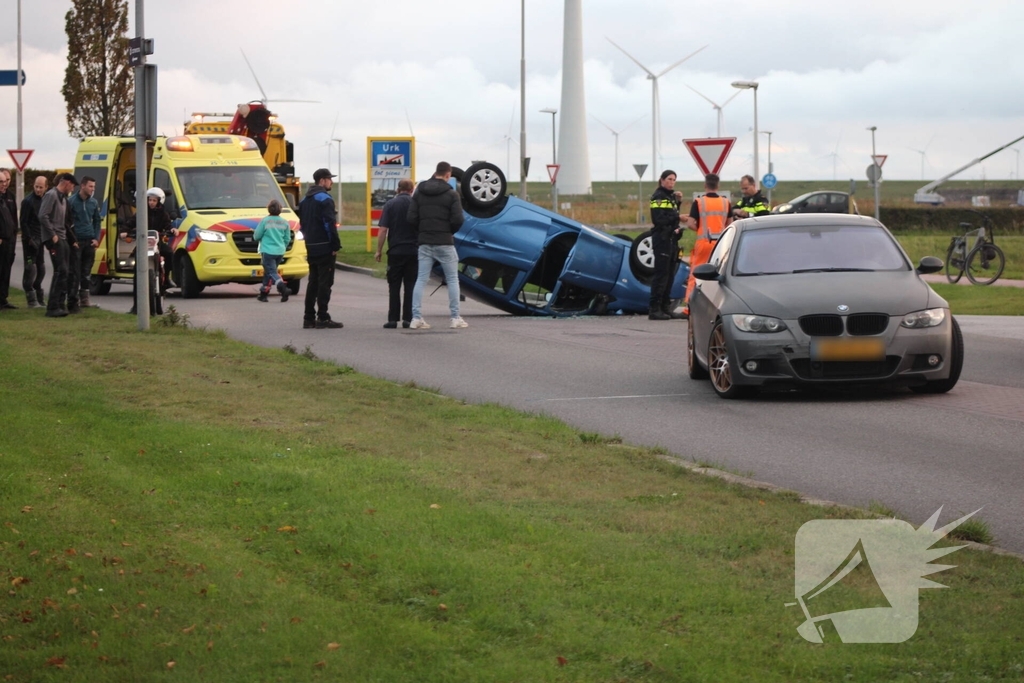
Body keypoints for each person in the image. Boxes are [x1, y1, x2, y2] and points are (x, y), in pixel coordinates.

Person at [407, 161, 466, 330]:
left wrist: (422, 231)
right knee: (453, 279)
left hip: (425, 242)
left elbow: (411, 217)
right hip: (445, 242)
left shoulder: (419, 192)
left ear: (435, 173)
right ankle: (455, 318)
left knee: (421, 279)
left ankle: (416, 318)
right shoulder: (452, 194)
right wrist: (449, 231)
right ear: (448, 175)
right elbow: (458, 219)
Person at [683, 173, 733, 316]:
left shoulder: (699, 202)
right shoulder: (725, 202)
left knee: (696, 274)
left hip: (704, 243)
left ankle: (689, 308)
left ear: (705, 185)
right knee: (719, 275)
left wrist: (700, 228)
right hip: (721, 245)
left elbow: (691, 223)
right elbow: (730, 224)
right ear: (718, 186)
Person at [298, 168, 342, 329]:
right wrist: (335, 245)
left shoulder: (304, 201)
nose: (331, 182)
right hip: (325, 247)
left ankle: (308, 317)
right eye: (330, 179)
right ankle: (323, 316)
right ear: (322, 181)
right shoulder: (325, 199)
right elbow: (329, 224)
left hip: (310, 245)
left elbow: (302, 224)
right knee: (325, 283)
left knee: (313, 282)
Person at [122, 187, 175, 315]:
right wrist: (124, 231)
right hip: (142, 244)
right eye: (149, 200)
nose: (151, 202)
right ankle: (136, 307)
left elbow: (168, 225)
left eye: (154, 200)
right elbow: (130, 222)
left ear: (159, 201)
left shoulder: (164, 214)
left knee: (169, 253)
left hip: (157, 243)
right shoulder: (141, 212)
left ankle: (167, 278)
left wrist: (172, 230)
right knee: (137, 274)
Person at [375, 178, 417, 328]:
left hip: (395, 251)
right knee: (410, 286)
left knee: (394, 285)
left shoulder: (390, 204)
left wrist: (378, 250)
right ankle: (408, 319)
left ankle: (393, 319)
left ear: (398, 189)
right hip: (413, 251)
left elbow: (383, 230)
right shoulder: (416, 204)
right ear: (412, 190)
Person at [39, 173, 78, 318]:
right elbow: (43, 215)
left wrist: (71, 239)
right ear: (66, 182)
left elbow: (66, 222)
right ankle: (52, 307)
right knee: (61, 270)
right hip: (55, 238)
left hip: (62, 238)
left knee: (65, 271)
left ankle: (60, 304)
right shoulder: (52, 195)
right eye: (72, 185)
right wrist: (52, 235)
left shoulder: (64, 199)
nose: (72, 188)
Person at [647, 169, 685, 320]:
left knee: (669, 274)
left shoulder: (670, 197)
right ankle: (654, 308)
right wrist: (678, 216)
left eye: (674, 180)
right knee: (661, 274)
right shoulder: (658, 196)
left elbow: (672, 216)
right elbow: (659, 219)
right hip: (662, 238)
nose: (671, 182)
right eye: (669, 179)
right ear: (662, 180)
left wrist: (679, 204)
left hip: (671, 239)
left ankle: (665, 307)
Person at [67, 175, 103, 308]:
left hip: (89, 241)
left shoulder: (93, 202)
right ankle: (73, 298)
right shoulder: (71, 201)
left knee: (87, 271)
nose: (93, 189)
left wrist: (96, 238)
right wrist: (72, 239)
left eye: (94, 187)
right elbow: (67, 222)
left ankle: (85, 299)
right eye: (90, 186)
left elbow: (97, 220)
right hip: (76, 241)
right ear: (82, 186)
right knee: (75, 271)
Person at [253, 199, 292, 303]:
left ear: (269, 208)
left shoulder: (265, 221)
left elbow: (256, 236)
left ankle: (283, 287)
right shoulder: (284, 222)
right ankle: (263, 294)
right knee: (268, 272)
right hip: (280, 251)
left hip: (267, 251)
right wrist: (282, 246)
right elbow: (287, 238)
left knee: (271, 272)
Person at [20, 176, 49, 308]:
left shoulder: (46, 199)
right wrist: (29, 239)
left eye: (40, 187)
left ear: (45, 188)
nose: (38, 189)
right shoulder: (28, 201)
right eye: (36, 186)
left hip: (41, 239)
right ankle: (31, 299)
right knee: (30, 268)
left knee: (41, 269)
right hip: (31, 241)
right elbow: (24, 222)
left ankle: (39, 296)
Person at [0, 169, 18, 310]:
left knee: (6, 271)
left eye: (6, 181)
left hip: (9, 240)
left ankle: (3, 299)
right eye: (1, 181)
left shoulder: (8, 197)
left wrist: (12, 235)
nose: (4, 184)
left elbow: (12, 219)